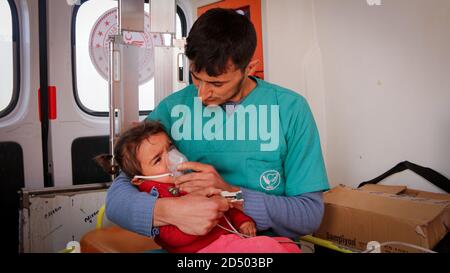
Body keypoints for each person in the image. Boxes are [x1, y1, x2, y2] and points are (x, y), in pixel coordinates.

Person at [106, 8, 329, 243]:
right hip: (194, 248)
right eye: (196, 77)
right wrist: (171, 211)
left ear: (249, 69)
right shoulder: (172, 109)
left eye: (216, 83)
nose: (201, 95)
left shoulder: (290, 109)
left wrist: (231, 193)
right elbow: (117, 198)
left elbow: (308, 215)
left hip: (264, 246)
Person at [96, 121, 300, 253]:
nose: (172, 159)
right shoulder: (155, 195)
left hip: (229, 239)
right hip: (200, 250)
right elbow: (172, 239)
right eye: (158, 159)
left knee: (288, 246)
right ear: (139, 179)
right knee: (265, 248)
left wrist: (243, 220)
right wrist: (201, 218)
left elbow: (225, 200)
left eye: (171, 148)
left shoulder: (191, 180)